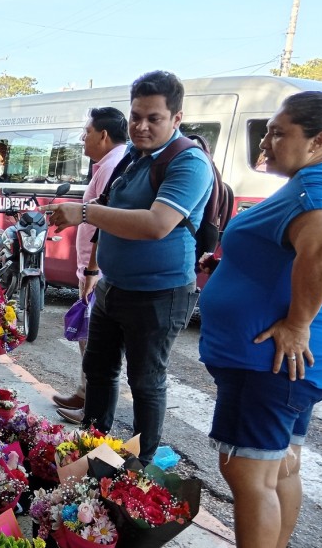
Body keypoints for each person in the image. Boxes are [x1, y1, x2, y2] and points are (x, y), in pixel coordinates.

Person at [198, 91, 322, 548]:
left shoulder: (319, 184)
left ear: (319, 141)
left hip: (270, 358)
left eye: (280, 132)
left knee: (249, 471)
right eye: (268, 130)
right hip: (278, 361)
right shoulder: (320, 181)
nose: (267, 141)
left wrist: (296, 323)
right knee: (277, 466)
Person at [49, 70, 213, 462]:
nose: (141, 126)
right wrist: (92, 271)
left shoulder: (188, 163)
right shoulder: (134, 158)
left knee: (145, 382)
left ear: (176, 118)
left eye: (153, 118)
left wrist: (84, 212)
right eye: (136, 116)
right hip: (113, 287)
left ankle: (138, 467)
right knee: (99, 372)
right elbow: (114, 214)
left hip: (159, 293)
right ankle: (91, 453)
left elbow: (157, 224)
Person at [52, 107, 129, 423]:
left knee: (95, 341)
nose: (82, 138)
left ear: (104, 135)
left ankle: (92, 405)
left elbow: (104, 221)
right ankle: (85, 393)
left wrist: (92, 270)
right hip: (91, 266)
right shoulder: (108, 164)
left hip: (98, 269)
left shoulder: (114, 165)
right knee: (87, 335)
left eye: (86, 132)